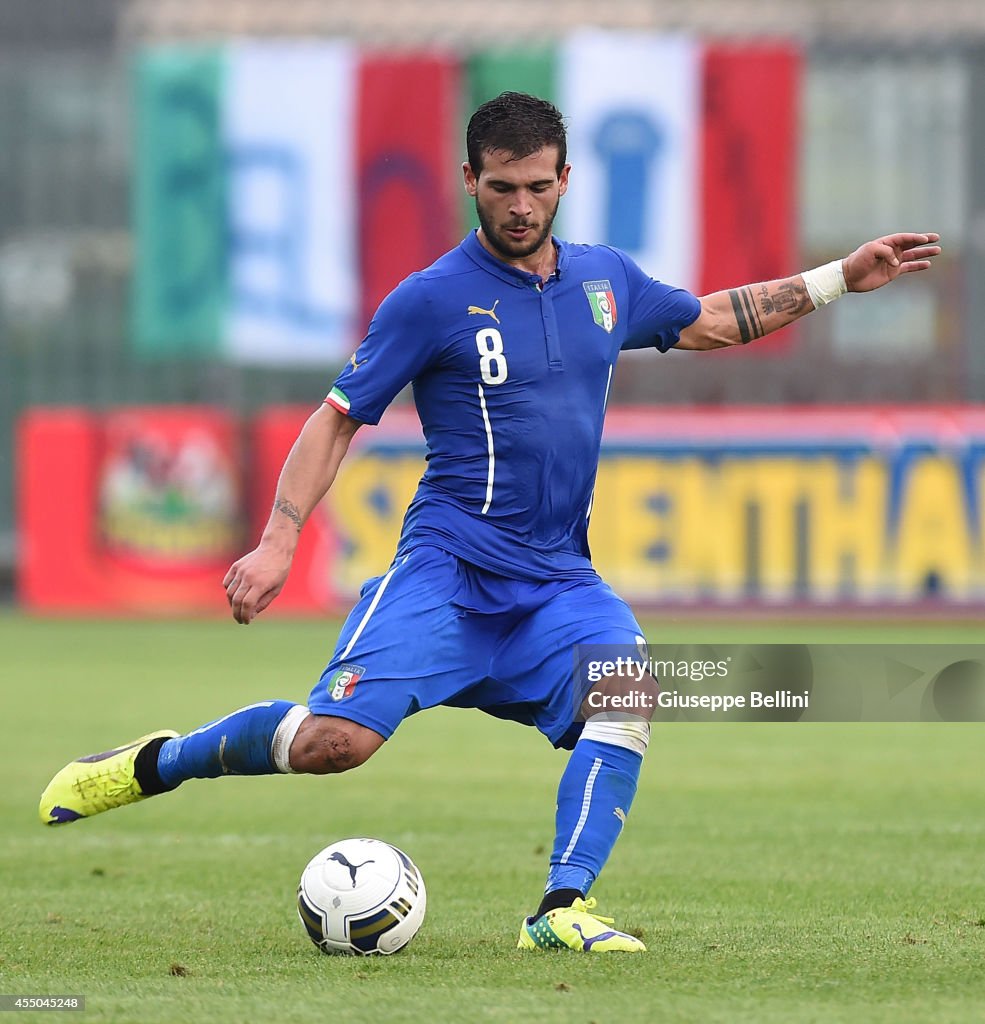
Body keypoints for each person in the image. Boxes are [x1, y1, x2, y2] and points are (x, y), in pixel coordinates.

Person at [39, 92, 940, 953]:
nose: (520, 205)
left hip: (555, 581)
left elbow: (709, 319)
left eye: (537, 185)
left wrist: (835, 281)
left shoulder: (604, 279)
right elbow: (338, 415)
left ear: (564, 179)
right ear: (468, 179)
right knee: (331, 745)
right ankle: (155, 762)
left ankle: (561, 905)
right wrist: (280, 539)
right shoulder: (430, 298)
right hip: (448, 572)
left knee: (626, 697)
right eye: (501, 186)